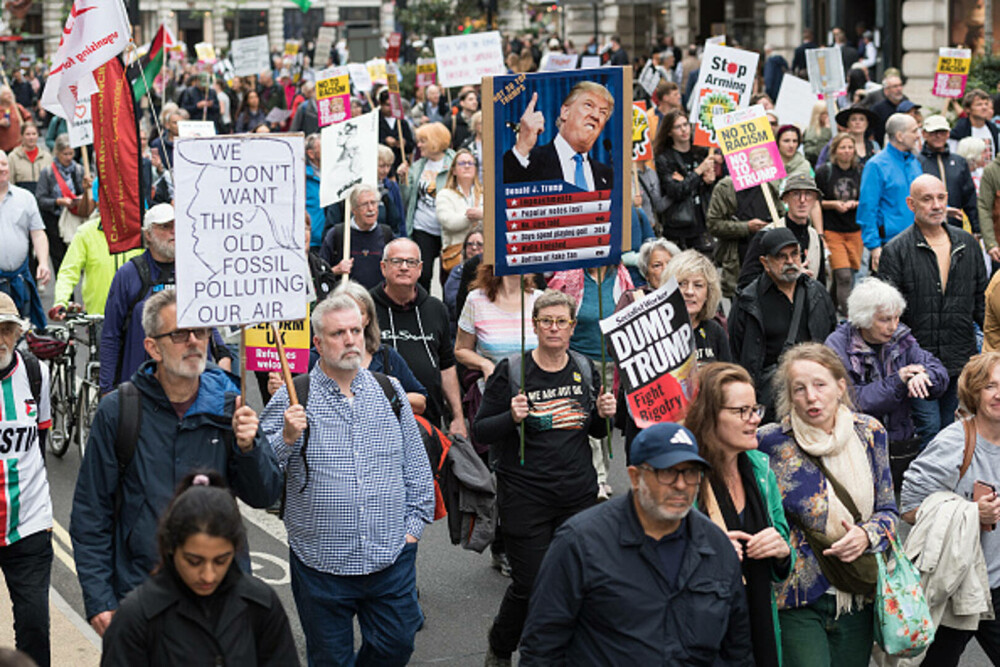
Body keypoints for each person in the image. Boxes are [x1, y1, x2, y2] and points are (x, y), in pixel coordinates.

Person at [71, 289, 283, 637]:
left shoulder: (231, 406)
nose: (194, 342)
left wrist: (249, 449)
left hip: (221, 598)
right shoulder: (119, 410)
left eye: (200, 332)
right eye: (180, 334)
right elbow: (91, 513)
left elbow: (265, 494)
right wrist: (99, 601)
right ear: (153, 347)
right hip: (142, 596)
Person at [260, 293, 434, 666]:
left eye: (356, 330)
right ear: (318, 343)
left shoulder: (389, 390)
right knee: (329, 659)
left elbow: (416, 465)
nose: (351, 339)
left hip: (390, 557)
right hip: (321, 563)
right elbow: (258, 474)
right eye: (339, 333)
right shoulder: (296, 397)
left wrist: (413, 529)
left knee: (396, 645)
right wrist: (286, 437)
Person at [517, 421, 752, 665]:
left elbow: (738, 650)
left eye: (691, 472)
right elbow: (541, 648)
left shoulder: (717, 548)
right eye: (668, 472)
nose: (681, 485)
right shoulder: (580, 544)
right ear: (635, 477)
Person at [474, 289, 616, 667]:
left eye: (562, 321)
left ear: (572, 327)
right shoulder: (513, 371)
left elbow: (598, 434)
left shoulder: (585, 367)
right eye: (546, 321)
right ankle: (501, 646)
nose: (554, 328)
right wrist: (511, 417)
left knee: (577, 580)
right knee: (532, 585)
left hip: (577, 495)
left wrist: (604, 414)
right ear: (534, 326)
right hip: (526, 497)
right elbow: (481, 432)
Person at [755, 343, 897, 666]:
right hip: (796, 598)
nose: (811, 397)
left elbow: (889, 511)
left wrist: (866, 535)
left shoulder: (870, 433)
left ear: (840, 386)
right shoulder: (768, 442)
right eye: (799, 389)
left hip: (857, 592)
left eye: (820, 385)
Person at [99, 472, 299, 666]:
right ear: (171, 547)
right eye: (194, 561)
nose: (208, 576)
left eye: (221, 560)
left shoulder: (261, 605)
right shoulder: (136, 618)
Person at [685, 364, 793, 666]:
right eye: (742, 411)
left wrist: (782, 550)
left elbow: (782, 555)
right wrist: (705, 549)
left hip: (758, 624)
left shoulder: (761, 469)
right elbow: (657, 556)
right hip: (705, 632)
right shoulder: (685, 477)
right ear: (710, 416)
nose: (755, 419)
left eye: (755, 408)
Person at [901, 352, 1000, 666]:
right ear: (974, 392)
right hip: (958, 585)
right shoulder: (954, 442)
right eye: (990, 386)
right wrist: (970, 513)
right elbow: (909, 506)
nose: (999, 395)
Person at [879, 174, 988, 445]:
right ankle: (929, 488)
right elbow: (888, 315)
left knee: (959, 431)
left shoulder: (968, 244)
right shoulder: (896, 250)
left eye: (941, 198)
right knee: (930, 430)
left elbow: (981, 303)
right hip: (918, 361)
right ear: (911, 204)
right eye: (927, 199)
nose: (936, 205)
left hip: (962, 357)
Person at [826, 277, 948, 487]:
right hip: (857, 448)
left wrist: (925, 375)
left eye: (896, 318)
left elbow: (938, 371)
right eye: (884, 320)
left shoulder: (902, 337)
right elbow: (851, 399)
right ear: (863, 318)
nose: (893, 326)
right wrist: (899, 380)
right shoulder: (837, 346)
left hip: (899, 445)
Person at [99, 203, 232, 395]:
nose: (173, 232)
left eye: (177, 226)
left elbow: (206, 320)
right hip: (142, 387)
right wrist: (106, 389)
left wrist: (222, 354)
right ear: (148, 235)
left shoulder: (193, 270)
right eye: (165, 227)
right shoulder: (129, 274)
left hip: (192, 384)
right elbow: (111, 334)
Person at [729, 228, 837, 417]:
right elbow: (736, 354)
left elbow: (832, 337)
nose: (790, 261)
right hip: (771, 399)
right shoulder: (748, 301)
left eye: (794, 254)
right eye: (781, 256)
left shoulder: (817, 292)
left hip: (814, 395)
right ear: (765, 262)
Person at [549, 263, 635, 499]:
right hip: (580, 360)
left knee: (605, 416)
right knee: (586, 413)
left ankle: (602, 473)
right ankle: (595, 476)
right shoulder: (568, 276)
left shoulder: (622, 276)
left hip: (612, 361)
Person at [0, 294, 53, 667]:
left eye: (7, 329)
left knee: (34, 627)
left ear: (19, 331)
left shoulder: (37, 374)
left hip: (29, 525)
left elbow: (41, 439)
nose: (1, 339)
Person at [371, 238, 467, 438]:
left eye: (411, 262)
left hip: (429, 424)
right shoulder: (366, 309)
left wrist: (457, 417)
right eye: (397, 261)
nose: (404, 267)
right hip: (378, 423)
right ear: (383, 267)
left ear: (421, 268)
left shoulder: (436, 308)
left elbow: (446, 367)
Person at [503, 83, 615, 189]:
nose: (596, 115)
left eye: (603, 112)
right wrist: (522, 146)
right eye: (588, 105)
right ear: (565, 112)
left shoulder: (607, 175)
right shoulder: (530, 161)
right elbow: (499, 193)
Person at [857, 113, 924, 271]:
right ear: (900, 136)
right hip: (890, 244)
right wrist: (874, 247)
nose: (918, 136)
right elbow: (867, 209)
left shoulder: (914, 162)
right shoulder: (876, 165)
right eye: (914, 131)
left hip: (918, 240)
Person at [738, 174, 828, 289]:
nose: (802, 200)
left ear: (815, 200)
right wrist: (787, 276)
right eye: (796, 194)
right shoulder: (766, 235)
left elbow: (821, 286)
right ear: (785, 199)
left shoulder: (815, 238)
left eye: (808, 194)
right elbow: (746, 283)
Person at [396, 122, 455, 290]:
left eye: (423, 141)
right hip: (423, 227)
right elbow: (406, 199)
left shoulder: (455, 163)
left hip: (449, 228)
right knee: (423, 275)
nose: (418, 145)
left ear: (435, 141)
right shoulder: (418, 166)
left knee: (449, 276)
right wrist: (403, 180)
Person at [51, 216, 144, 318]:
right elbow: (68, 272)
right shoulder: (85, 232)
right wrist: (61, 301)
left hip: (139, 317)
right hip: (98, 317)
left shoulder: (143, 230)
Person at [0, 149, 50, 330]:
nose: (2, 168)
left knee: (23, 333)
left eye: (4, 164)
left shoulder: (25, 198)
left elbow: (38, 233)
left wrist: (43, 262)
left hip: (20, 279)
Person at [653, 109, 716, 251]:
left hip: (702, 223)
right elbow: (676, 191)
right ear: (669, 132)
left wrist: (708, 182)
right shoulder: (665, 158)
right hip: (679, 227)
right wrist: (698, 171)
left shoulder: (700, 153)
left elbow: (701, 189)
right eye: (677, 127)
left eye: (685, 124)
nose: (683, 130)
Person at [706, 174, 777, 298]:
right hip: (738, 263)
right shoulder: (725, 188)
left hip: (767, 262)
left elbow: (780, 216)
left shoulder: (767, 185)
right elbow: (713, 224)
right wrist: (746, 227)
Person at [815, 132, 863, 315]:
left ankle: (829, 311)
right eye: (843, 147)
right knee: (843, 276)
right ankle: (851, 318)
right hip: (833, 230)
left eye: (850, 147)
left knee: (843, 276)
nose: (847, 151)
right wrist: (833, 204)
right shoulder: (825, 172)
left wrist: (855, 204)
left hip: (855, 230)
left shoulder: (861, 171)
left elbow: (868, 197)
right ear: (835, 150)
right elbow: (815, 202)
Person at [662, 250, 731, 363]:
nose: (689, 291)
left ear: (709, 293)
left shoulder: (715, 331)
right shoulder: (655, 332)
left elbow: (726, 376)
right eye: (681, 284)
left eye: (698, 285)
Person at [321, 184, 394, 290]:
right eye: (364, 204)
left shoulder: (386, 234)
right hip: (347, 301)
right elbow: (320, 274)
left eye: (373, 203)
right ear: (354, 210)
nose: (370, 209)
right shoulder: (337, 234)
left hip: (378, 302)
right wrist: (337, 270)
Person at [36, 133, 92, 271]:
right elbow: (41, 199)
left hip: (75, 219)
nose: (68, 157)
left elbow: (86, 194)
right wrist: (58, 201)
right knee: (59, 260)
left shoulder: (79, 170)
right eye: (65, 154)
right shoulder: (47, 173)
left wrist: (81, 196)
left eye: (71, 153)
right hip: (54, 220)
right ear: (57, 153)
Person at [921, 114, 979, 234]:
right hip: (925, 229)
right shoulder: (915, 162)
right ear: (924, 134)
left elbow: (970, 198)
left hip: (955, 229)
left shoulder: (959, 162)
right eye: (933, 132)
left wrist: (976, 229)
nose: (938, 136)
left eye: (942, 132)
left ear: (948, 134)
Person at [436, 148, 483, 283]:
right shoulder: (445, 194)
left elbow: (494, 219)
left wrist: (481, 214)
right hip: (455, 257)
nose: (467, 166)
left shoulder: (485, 194)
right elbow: (448, 222)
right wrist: (471, 217)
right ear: (454, 170)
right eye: (462, 163)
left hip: (482, 256)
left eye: (470, 163)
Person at [950, 88, 1000, 163]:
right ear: (967, 109)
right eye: (979, 104)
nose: (984, 107)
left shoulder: (994, 130)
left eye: (986, 104)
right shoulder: (959, 132)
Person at [378, 88, 415, 179]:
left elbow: (411, 146)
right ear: (381, 104)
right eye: (387, 105)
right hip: (382, 169)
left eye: (393, 105)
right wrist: (385, 142)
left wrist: (404, 143)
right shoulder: (375, 121)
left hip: (400, 166)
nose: (391, 108)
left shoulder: (402, 122)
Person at [7, 122, 51, 195]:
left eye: (34, 134)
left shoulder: (47, 157)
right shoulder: (13, 157)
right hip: (21, 198)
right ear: (22, 136)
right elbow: (10, 182)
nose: (31, 137)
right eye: (28, 134)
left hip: (43, 199)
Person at [377, 145, 405, 238]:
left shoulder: (392, 187)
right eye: (381, 166)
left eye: (388, 166)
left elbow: (400, 218)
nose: (386, 170)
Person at [871, 74, 908, 145]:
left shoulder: (907, 104)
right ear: (886, 90)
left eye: (900, 85)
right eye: (895, 86)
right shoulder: (878, 109)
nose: (899, 89)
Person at [0, 86, 31, 153]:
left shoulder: (17, 108)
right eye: (6, 94)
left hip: (18, 147)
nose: (9, 96)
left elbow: (28, 119)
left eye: (10, 93)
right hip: (2, 150)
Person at [803, 102, 832, 167]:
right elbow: (812, 152)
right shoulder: (810, 131)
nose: (827, 116)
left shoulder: (833, 130)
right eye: (825, 113)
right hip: (814, 165)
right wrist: (826, 131)